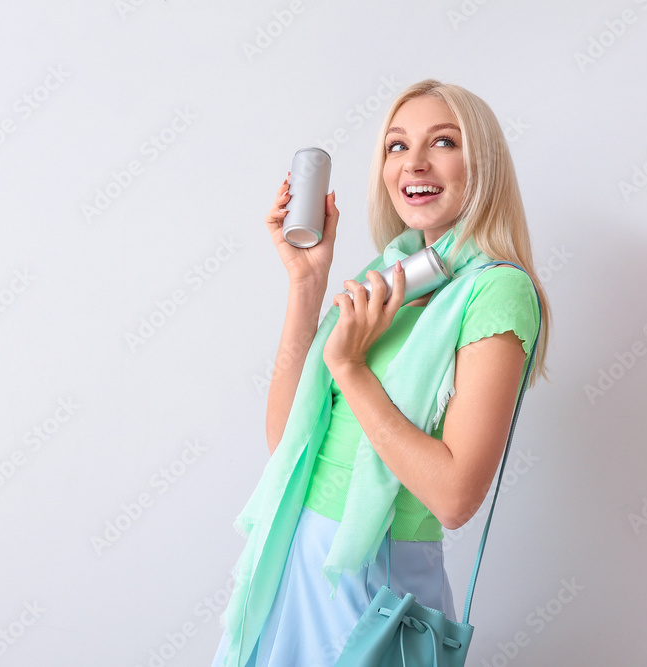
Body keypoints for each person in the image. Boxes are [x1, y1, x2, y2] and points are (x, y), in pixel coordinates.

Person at [210, 79, 551, 667]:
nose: (413, 162)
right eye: (396, 146)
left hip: (377, 584)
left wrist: (349, 367)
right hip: (296, 559)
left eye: (443, 141)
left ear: (483, 163)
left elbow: (453, 497)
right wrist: (306, 284)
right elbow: (286, 444)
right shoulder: (391, 274)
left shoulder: (497, 291)